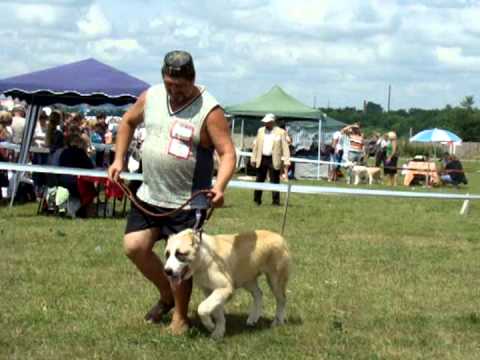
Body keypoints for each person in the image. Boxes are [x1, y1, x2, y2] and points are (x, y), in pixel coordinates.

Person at [108, 50, 236, 335]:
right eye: (169, 84)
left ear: (193, 80)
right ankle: (167, 295)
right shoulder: (151, 96)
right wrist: (118, 159)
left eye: (180, 86)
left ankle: (180, 316)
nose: (174, 91)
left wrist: (220, 186)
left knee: (181, 259)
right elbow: (128, 122)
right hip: (149, 194)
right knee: (134, 247)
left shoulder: (209, 110)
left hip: (186, 203)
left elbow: (227, 153)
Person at [250, 113, 290, 206]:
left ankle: (275, 202)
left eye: (267, 122)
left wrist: (287, 160)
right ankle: (257, 200)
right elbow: (256, 146)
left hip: (274, 159)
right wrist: (253, 158)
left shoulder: (281, 132)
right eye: (265, 122)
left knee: (275, 181)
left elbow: (285, 147)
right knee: (259, 180)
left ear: (272, 122)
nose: (265, 124)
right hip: (262, 158)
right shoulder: (260, 131)